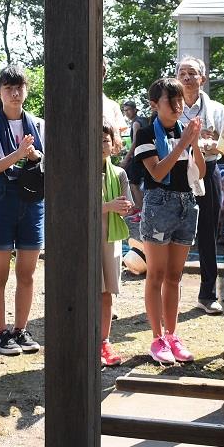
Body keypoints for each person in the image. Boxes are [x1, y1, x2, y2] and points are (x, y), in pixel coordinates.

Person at [0, 65, 45, 356]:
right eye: (7, 88)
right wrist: (18, 154)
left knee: (27, 272)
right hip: (1, 198)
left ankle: (20, 329)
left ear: (26, 90)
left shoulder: (38, 124)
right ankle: (0, 332)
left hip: (33, 199)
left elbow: (45, 163)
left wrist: (34, 156)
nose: (14, 93)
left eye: (19, 88)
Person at [132, 77, 205, 365]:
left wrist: (195, 143)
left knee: (175, 277)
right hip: (159, 204)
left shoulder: (184, 131)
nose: (177, 106)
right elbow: (157, 173)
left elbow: (200, 172)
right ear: (154, 104)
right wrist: (183, 142)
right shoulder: (147, 134)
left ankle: (172, 335)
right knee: (156, 275)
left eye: (179, 101)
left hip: (187, 203)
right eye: (170, 101)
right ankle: (157, 337)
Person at [176, 56, 224, 315]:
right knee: (172, 230)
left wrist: (208, 143)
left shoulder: (217, 110)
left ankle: (208, 294)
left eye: (192, 73)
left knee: (208, 232)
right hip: (175, 173)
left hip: (207, 170)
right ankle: (169, 292)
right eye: (182, 73)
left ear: (203, 79)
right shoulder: (170, 105)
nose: (187, 78)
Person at [100, 123, 134, 366]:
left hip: (111, 239)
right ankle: (87, 340)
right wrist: (108, 206)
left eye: (105, 140)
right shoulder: (81, 171)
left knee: (106, 292)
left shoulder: (120, 173)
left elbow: (127, 204)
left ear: (114, 145)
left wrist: (123, 208)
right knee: (86, 292)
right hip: (86, 238)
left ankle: (104, 341)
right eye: (96, 139)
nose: (102, 145)